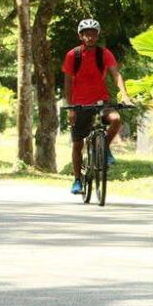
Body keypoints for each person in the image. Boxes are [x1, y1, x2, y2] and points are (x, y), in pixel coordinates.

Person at [62, 19, 132, 194]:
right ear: (81, 36)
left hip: (101, 101)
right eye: (86, 34)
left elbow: (116, 74)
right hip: (79, 104)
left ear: (97, 35)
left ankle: (103, 148)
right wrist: (71, 108)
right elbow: (68, 83)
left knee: (116, 119)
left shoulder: (104, 54)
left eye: (93, 34)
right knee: (77, 144)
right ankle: (77, 180)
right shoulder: (73, 55)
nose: (90, 37)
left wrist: (125, 95)